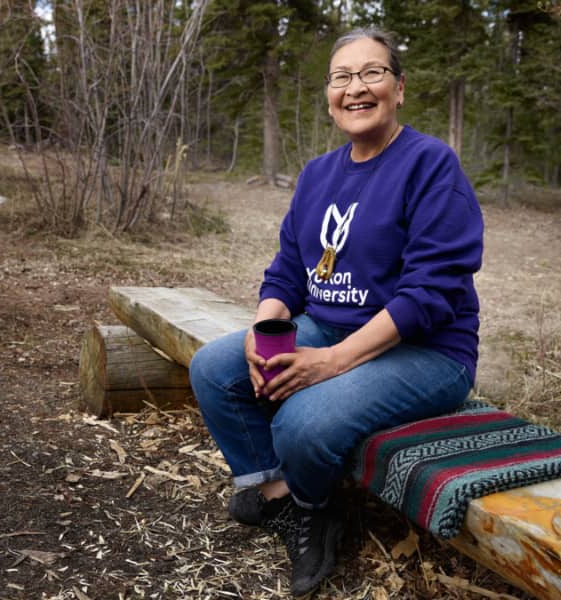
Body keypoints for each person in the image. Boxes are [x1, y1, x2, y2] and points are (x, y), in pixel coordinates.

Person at [189, 26, 483, 598]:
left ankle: (318, 508)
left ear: (399, 88)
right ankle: (285, 500)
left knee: (303, 421)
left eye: (372, 73)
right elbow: (287, 271)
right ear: (329, 93)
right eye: (343, 77)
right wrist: (263, 326)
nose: (357, 88)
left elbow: (431, 294)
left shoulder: (430, 165)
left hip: (427, 351)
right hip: (327, 323)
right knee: (213, 368)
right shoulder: (319, 174)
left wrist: (329, 363)